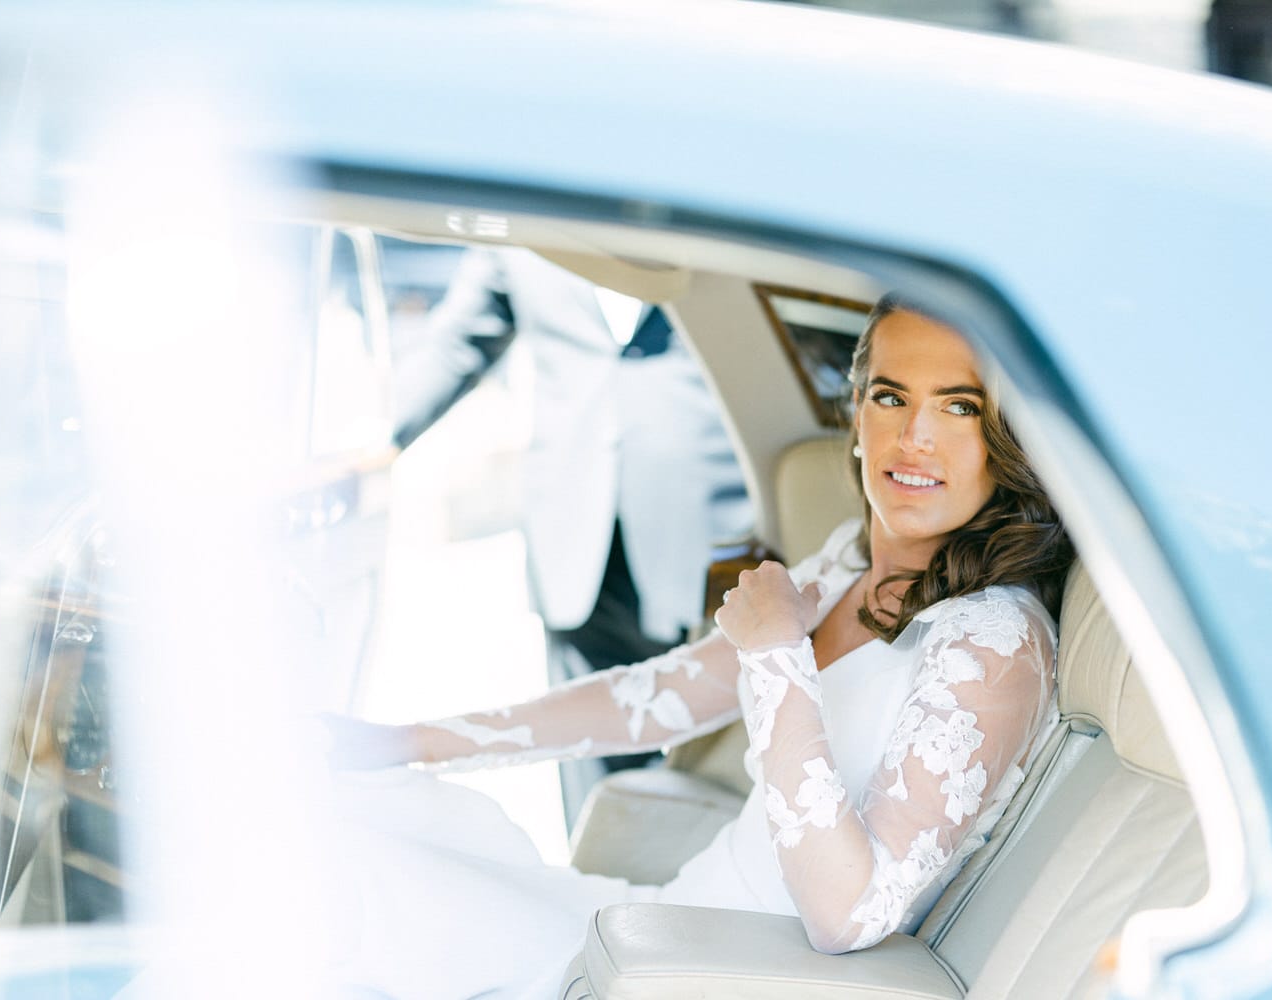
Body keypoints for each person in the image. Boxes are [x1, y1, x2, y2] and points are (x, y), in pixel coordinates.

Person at [323, 295, 1075, 1000]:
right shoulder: (849, 561)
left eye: (960, 406)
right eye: (891, 396)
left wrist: (779, 652)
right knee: (346, 823)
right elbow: (652, 700)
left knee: (349, 894)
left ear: (1006, 439)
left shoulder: (994, 642)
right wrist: (410, 740)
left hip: (712, 970)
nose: (915, 435)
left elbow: (849, 913)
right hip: (658, 921)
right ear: (857, 409)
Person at [389, 245, 753, 818]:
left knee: (711, 755)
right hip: (571, 528)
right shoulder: (521, 224)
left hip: (710, 528)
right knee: (586, 764)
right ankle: (597, 880)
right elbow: (458, 341)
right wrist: (372, 446)